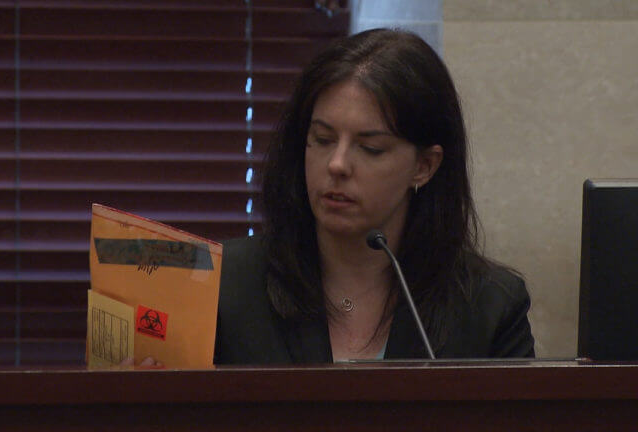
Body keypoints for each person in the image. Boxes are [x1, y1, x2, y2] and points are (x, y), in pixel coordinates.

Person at [213, 28, 535, 364]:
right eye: (322, 140)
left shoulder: (490, 307)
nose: (337, 164)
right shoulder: (225, 286)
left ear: (424, 166)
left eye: (370, 148)